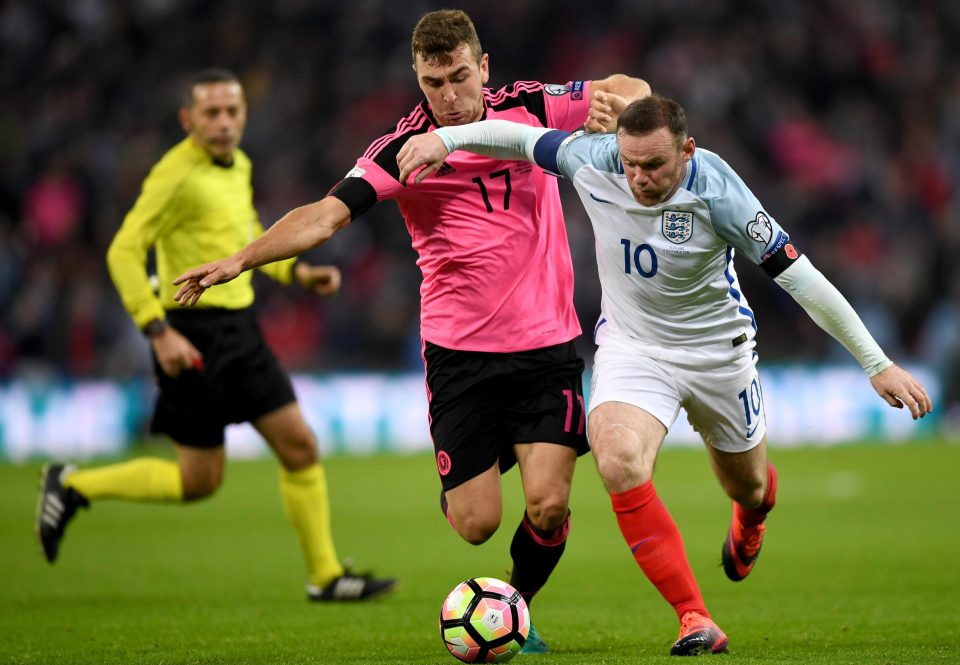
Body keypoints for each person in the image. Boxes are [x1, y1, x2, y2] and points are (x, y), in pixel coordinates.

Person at [171, 10, 649, 653]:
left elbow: (635, 88)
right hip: (459, 357)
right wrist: (239, 259)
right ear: (417, 81)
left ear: (484, 68)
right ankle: (475, 472)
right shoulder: (405, 149)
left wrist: (616, 113)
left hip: (546, 346)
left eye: (458, 77)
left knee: (548, 506)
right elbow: (322, 216)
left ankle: (515, 608)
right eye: (433, 84)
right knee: (476, 523)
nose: (449, 98)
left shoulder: (534, 108)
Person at [394, 94, 934, 655]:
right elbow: (516, 138)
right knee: (617, 459)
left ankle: (753, 512)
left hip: (717, 355)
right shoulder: (592, 157)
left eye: (653, 165)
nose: (638, 177)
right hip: (634, 350)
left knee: (746, 484)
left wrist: (878, 364)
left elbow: (800, 279)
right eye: (630, 163)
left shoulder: (720, 191)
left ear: (687, 150)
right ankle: (694, 616)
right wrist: (448, 139)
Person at [35, 68, 396, 602]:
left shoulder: (239, 165)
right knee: (198, 481)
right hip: (189, 333)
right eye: (211, 113)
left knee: (300, 446)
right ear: (188, 119)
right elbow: (123, 251)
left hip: (241, 329)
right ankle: (71, 485)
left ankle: (325, 577)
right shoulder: (173, 175)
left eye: (233, 112)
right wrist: (157, 333)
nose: (224, 123)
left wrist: (296, 273)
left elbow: (243, 241)